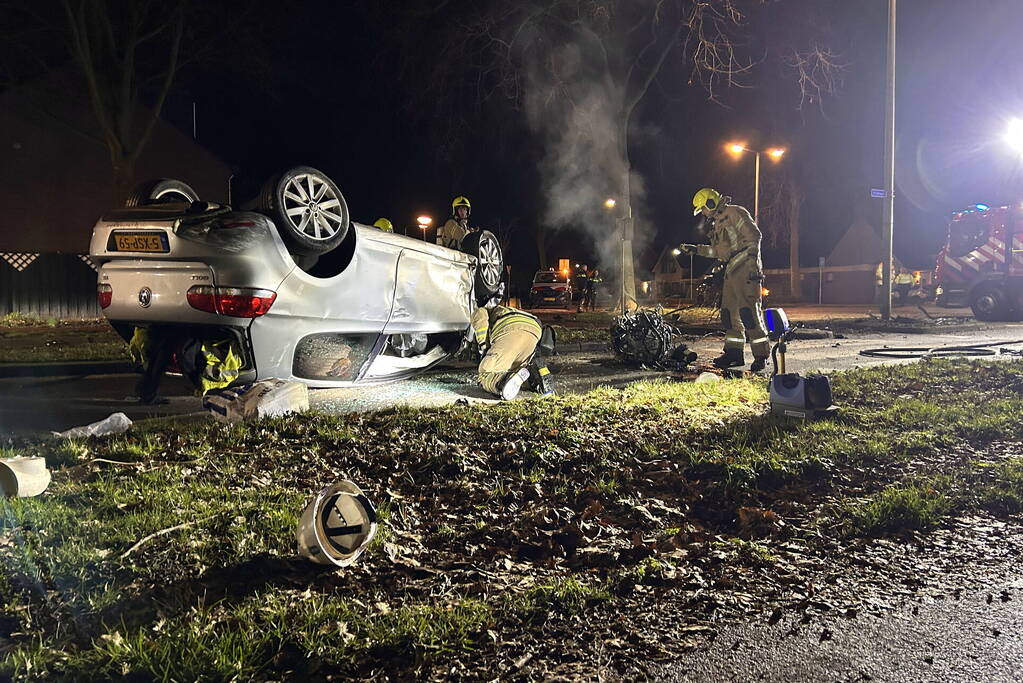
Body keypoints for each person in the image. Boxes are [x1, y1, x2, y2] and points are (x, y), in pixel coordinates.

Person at [679, 188, 770, 372]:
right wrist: (696, 250)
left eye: (703, 209)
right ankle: (734, 354)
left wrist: (753, 264)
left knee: (748, 313)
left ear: (710, 203)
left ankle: (761, 356)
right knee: (729, 315)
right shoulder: (717, 224)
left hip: (745, 266)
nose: (703, 213)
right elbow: (718, 253)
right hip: (731, 270)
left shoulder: (735, 212)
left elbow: (754, 236)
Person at [470, 299, 547, 400]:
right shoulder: (508, 310)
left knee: (485, 372)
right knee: (514, 369)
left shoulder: (484, 310)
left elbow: (480, 315)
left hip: (510, 329)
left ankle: (502, 383)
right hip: (535, 331)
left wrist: (483, 345)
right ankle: (534, 380)